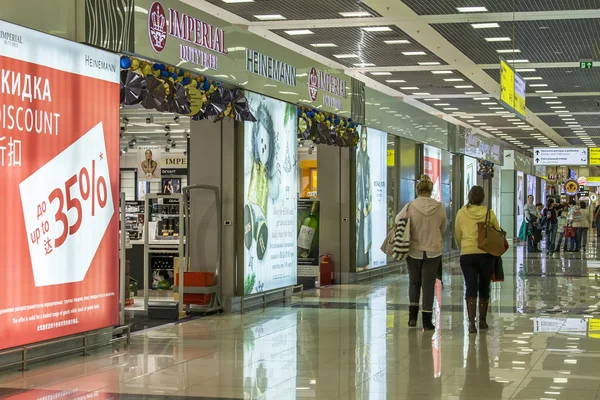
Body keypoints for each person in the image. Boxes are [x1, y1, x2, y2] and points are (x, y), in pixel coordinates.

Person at [396, 175, 447, 330]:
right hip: (433, 252)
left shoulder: (410, 206)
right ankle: (426, 320)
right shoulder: (439, 207)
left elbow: (398, 220)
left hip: (413, 252)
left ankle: (412, 318)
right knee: (428, 285)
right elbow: (443, 228)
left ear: (417, 190)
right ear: (431, 190)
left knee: (414, 282)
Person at [455, 186, 500, 334]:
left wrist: (463, 247)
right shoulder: (489, 213)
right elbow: (498, 232)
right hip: (486, 254)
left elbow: (457, 234)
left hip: (467, 254)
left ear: (469, 196)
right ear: (482, 198)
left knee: (470, 287)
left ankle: (471, 324)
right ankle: (482, 321)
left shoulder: (461, 213)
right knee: (484, 287)